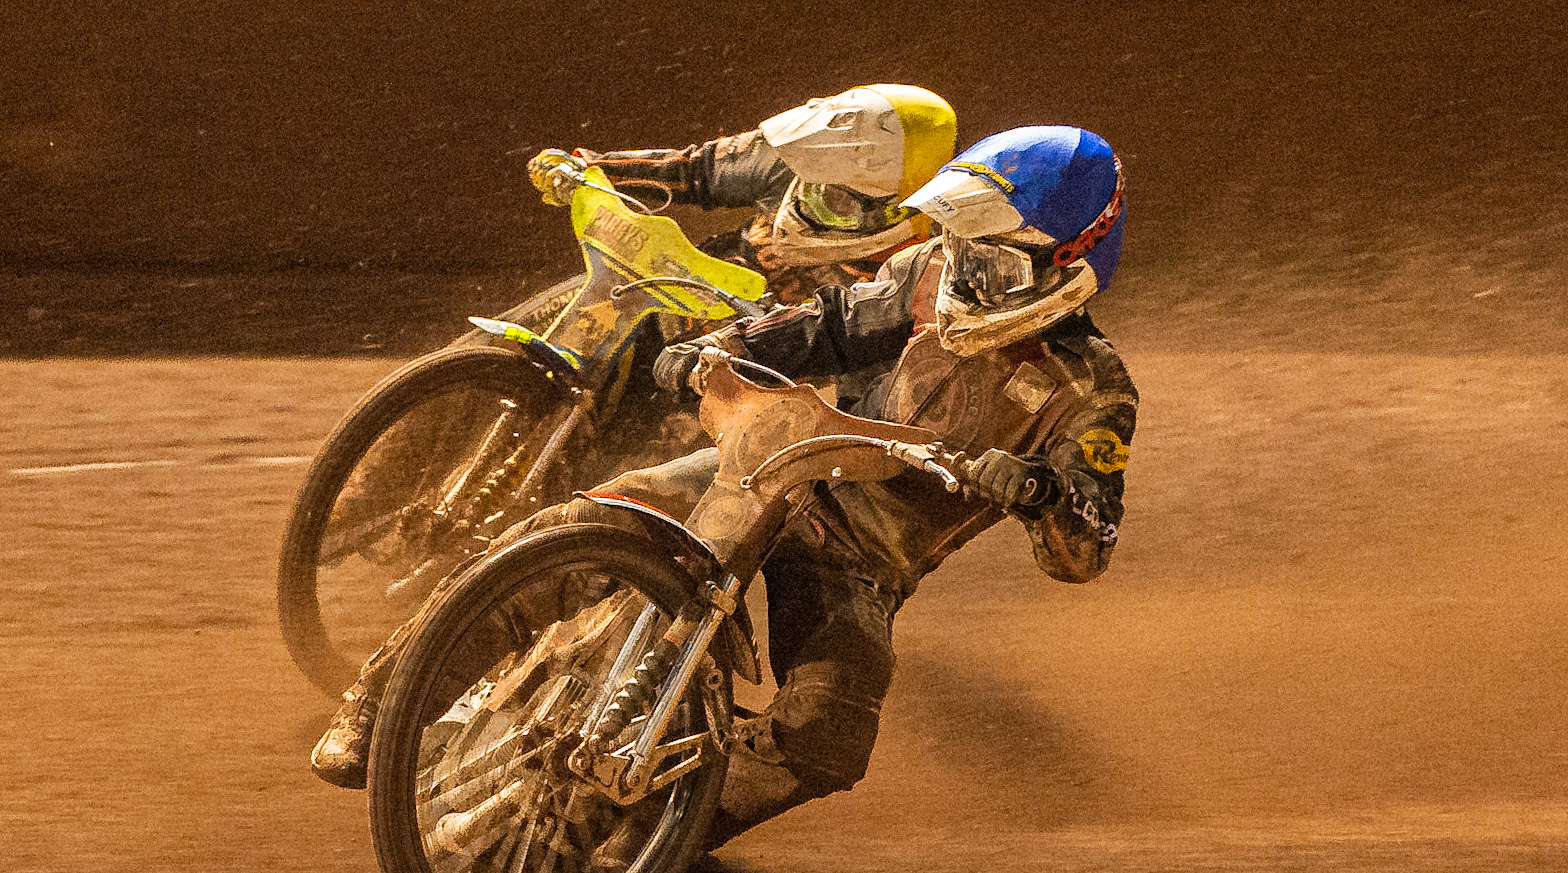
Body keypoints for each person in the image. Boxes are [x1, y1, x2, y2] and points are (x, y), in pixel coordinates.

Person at [313, 126, 1136, 823]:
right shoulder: (926, 277)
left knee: (825, 735)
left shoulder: (1092, 393)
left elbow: (1083, 549)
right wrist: (727, 348)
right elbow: (831, 323)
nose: (964, 271)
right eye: (962, 246)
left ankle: (652, 837)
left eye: (992, 261)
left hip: (859, 559)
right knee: (590, 522)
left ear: (1067, 264)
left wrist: (1041, 493)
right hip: (777, 464)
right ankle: (377, 702)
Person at [536, 84, 957, 305]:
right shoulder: (787, 159)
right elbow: (696, 169)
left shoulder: (925, 265)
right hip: (668, 284)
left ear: (893, 207)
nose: (816, 193)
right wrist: (592, 166)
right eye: (817, 182)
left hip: (750, 371)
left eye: (839, 198)